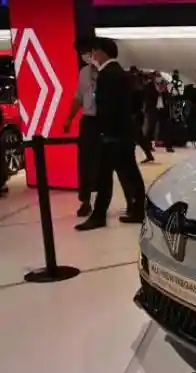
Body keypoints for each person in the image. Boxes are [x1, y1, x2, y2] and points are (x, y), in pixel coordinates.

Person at [75, 37, 146, 231]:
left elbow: (107, 108)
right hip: (123, 133)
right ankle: (138, 209)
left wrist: (102, 132)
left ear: (102, 52)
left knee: (106, 176)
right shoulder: (121, 73)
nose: (92, 55)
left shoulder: (107, 74)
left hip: (112, 136)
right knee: (128, 174)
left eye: (94, 51)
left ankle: (99, 216)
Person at [63, 38, 100, 217]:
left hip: (104, 121)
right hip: (88, 121)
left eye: (87, 51)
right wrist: (69, 118)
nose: (85, 56)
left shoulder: (107, 71)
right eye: (81, 53)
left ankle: (127, 200)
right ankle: (85, 201)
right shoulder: (84, 72)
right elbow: (78, 96)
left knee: (105, 163)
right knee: (85, 163)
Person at [129, 66, 156, 163]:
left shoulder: (135, 89)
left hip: (134, 115)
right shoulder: (141, 89)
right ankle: (148, 154)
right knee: (138, 137)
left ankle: (136, 157)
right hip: (137, 114)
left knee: (135, 137)